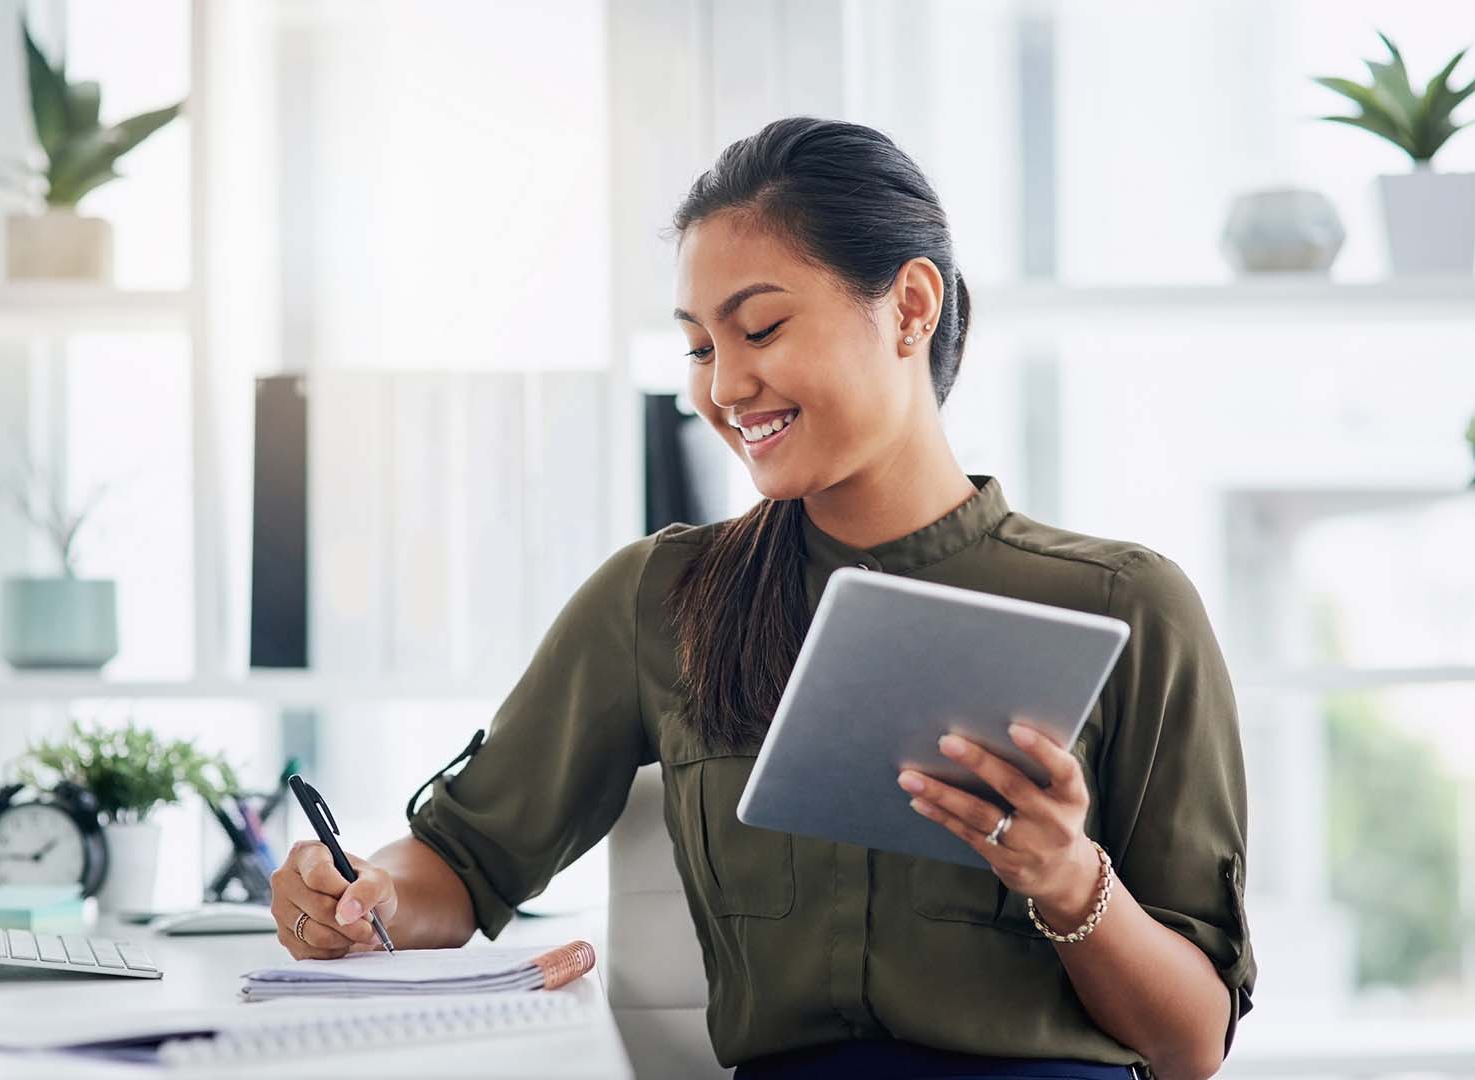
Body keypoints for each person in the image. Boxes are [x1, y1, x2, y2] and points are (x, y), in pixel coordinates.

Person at [268, 116, 1256, 1080]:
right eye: (699, 347)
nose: (723, 387)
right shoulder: (661, 598)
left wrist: (1065, 877)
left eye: (762, 328)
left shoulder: (1127, 606)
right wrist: (364, 899)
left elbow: (1191, 1044)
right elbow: (466, 860)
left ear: (912, 307)